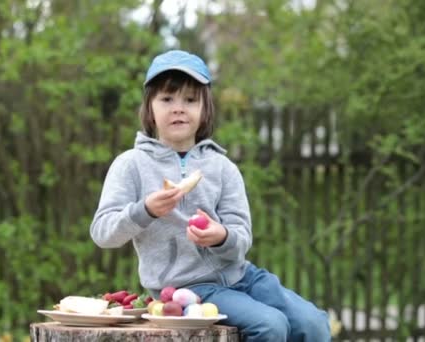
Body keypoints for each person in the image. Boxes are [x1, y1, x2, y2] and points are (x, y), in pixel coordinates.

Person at [90, 49, 330, 341]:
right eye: (167, 99)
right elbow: (103, 233)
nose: (178, 108)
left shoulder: (222, 167)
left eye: (190, 100)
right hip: (186, 290)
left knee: (314, 324)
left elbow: (241, 239)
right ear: (149, 108)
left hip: (243, 276)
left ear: (205, 109)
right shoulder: (131, 165)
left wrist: (221, 236)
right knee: (270, 326)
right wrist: (145, 211)